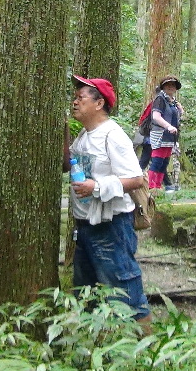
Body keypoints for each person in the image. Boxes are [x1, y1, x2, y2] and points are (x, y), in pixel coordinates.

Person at [68, 75, 151, 330]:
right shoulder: (84, 135)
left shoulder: (112, 135)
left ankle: (147, 349)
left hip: (111, 226)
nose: (75, 102)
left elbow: (136, 179)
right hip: (85, 226)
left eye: (81, 98)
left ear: (99, 103)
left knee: (126, 292)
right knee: (88, 292)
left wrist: (98, 187)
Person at [146, 76, 183, 190]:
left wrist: (180, 110)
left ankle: (158, 186)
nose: (170, 87)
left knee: (165, 162)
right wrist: (168, 126)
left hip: (170, 137)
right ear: (163, 87)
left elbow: (176, 118)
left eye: (173, 85)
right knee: (157, 160)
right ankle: (151, 186)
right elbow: (156, 117)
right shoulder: (160, 99)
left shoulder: (173, 102)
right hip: (160, 134)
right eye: (168, 85)